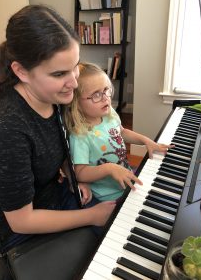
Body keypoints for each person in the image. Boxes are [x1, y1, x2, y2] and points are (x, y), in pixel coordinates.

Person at [0, 5, 116, 256]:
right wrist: (90, 216)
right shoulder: (5, 125)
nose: (75, 82)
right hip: (22, 232)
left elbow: (54, 147)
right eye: (59, 73)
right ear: (21, 71)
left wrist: (73, 177)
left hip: (55, 197)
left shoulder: (52, 97)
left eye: (75, 66)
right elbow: (21, 221)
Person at [64, 62, 174, 201]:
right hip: (107, 195)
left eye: (106, 90)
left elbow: (121, 132)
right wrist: (109, 169)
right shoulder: (80, 135)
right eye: (96, 95)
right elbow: (80, 173)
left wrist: (146, 141)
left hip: (124, 180)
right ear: (76, 103)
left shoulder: (109, 114)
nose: (105, 98)